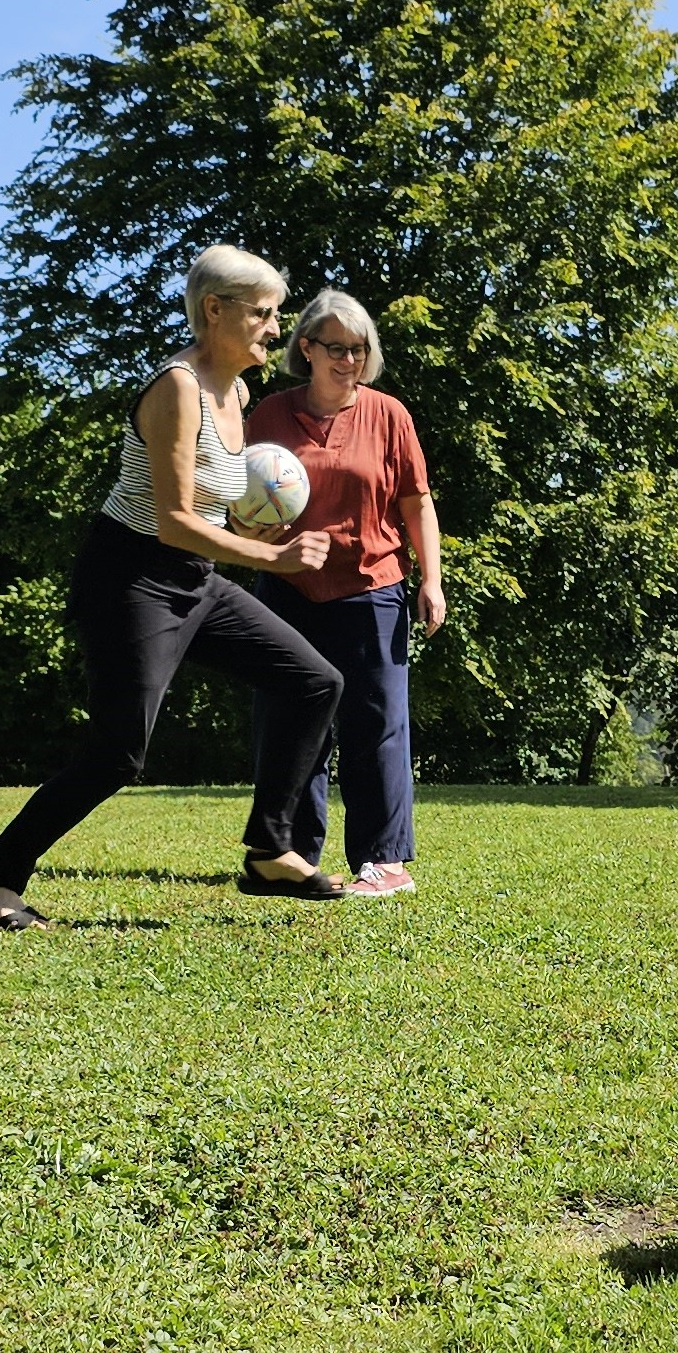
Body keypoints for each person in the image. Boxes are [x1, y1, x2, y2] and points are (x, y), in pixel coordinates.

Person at [0, 245, 351, 931]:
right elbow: (172, 522)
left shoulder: (238, 392)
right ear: (213, 310)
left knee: (314, 680)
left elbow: (208, 514)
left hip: (194, 579)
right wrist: (279, 561)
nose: (274, 328)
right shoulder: (178, 387)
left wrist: (260, 541)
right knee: (117, 752)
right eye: (262, 313)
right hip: (130, 578)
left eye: (275, 314)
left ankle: (269, 849)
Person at [245, 289, 446, 898]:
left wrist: (431, 580)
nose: (350, 361)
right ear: (305, 347)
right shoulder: (268, 416)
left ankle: (384, 863)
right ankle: (291, 856)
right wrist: (253, 534)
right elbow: (238, 502)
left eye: (360, 350)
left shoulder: (389, 415)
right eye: (337, 348)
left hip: (372, 587)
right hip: (285, 589)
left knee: (379, 725)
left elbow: (416, 501)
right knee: (290, 722)